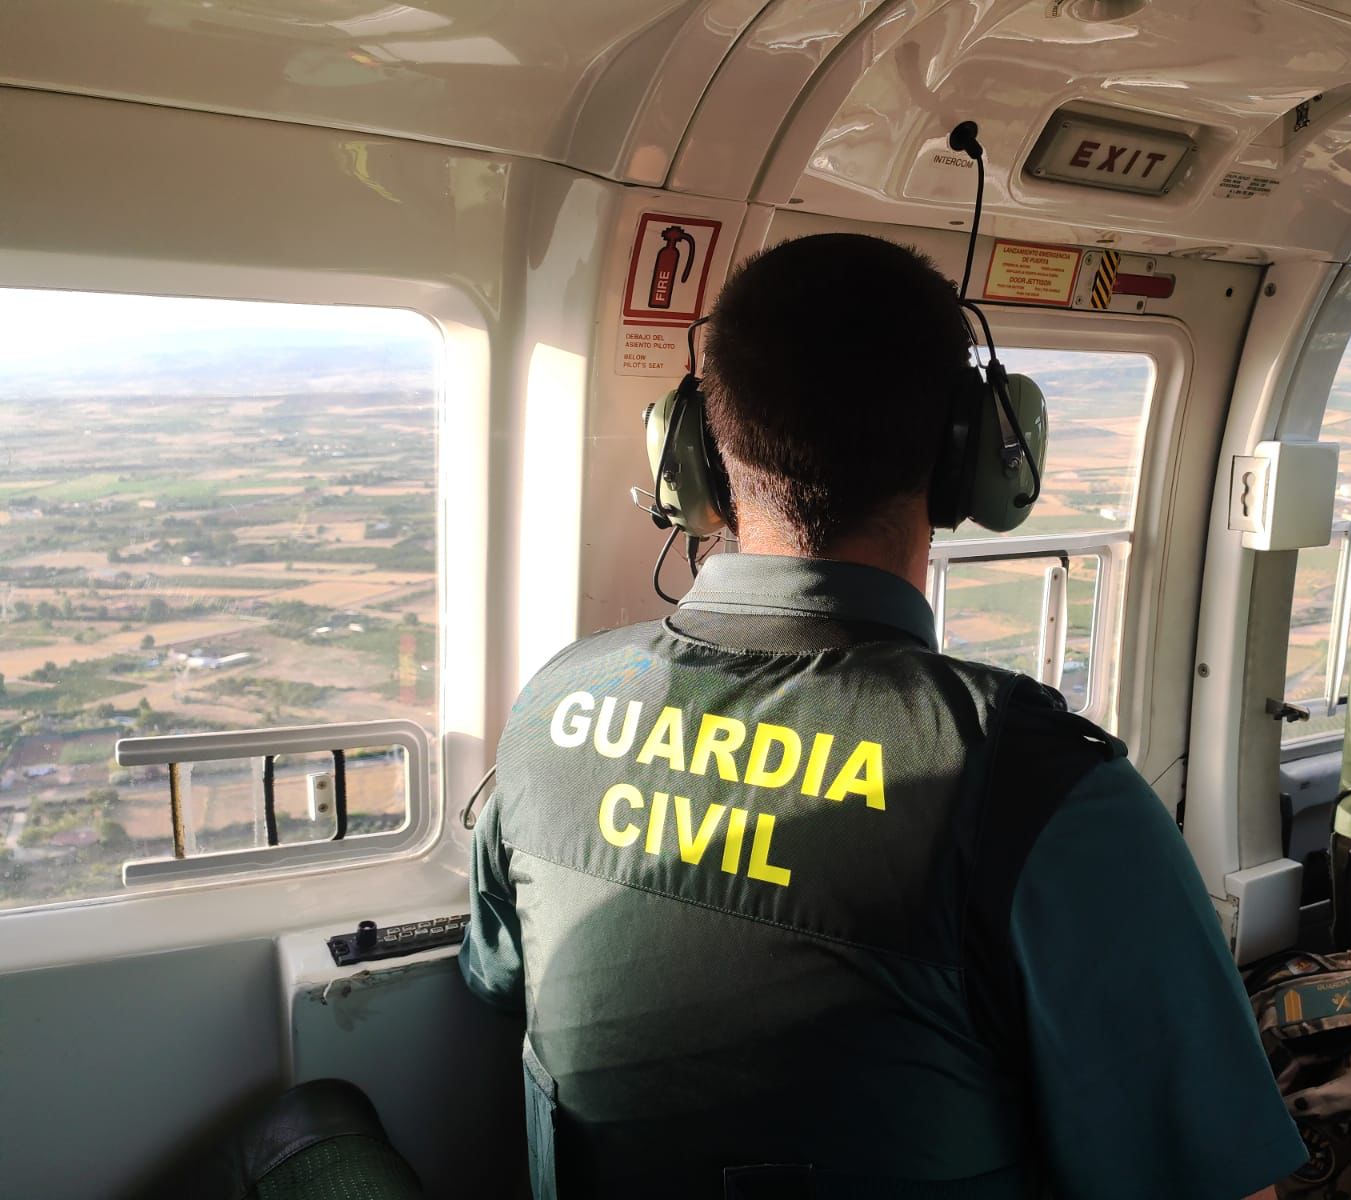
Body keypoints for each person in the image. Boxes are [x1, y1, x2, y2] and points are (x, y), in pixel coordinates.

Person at [460, 232, 1306, 1198]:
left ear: (691, 454)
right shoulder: (1040, 793)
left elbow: (496, 980)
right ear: (972, 460)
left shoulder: (553, 704)